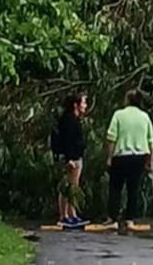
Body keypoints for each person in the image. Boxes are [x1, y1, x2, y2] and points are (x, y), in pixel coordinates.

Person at [105, 90, 153, 229]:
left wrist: (109, 157)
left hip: (120, 156)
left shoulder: (118, 115)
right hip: (138, 157)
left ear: (127, 100)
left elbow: (111, 137)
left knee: (115, 188)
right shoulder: (145, 117)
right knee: (133, 189)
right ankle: (130, 219)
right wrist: (150, 161)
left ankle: (113, 219)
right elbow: (151, 141)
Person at [50, 94, 88, 228]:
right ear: (75, 105)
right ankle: (64, 215)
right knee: (68, 187)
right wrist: (69, 158)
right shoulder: (68, 120)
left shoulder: (74, 119)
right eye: (83, 103)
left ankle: (72, 214)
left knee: (74, 187)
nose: (85, 105)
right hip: (72, 158)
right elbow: (67, 141)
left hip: (77, 156)